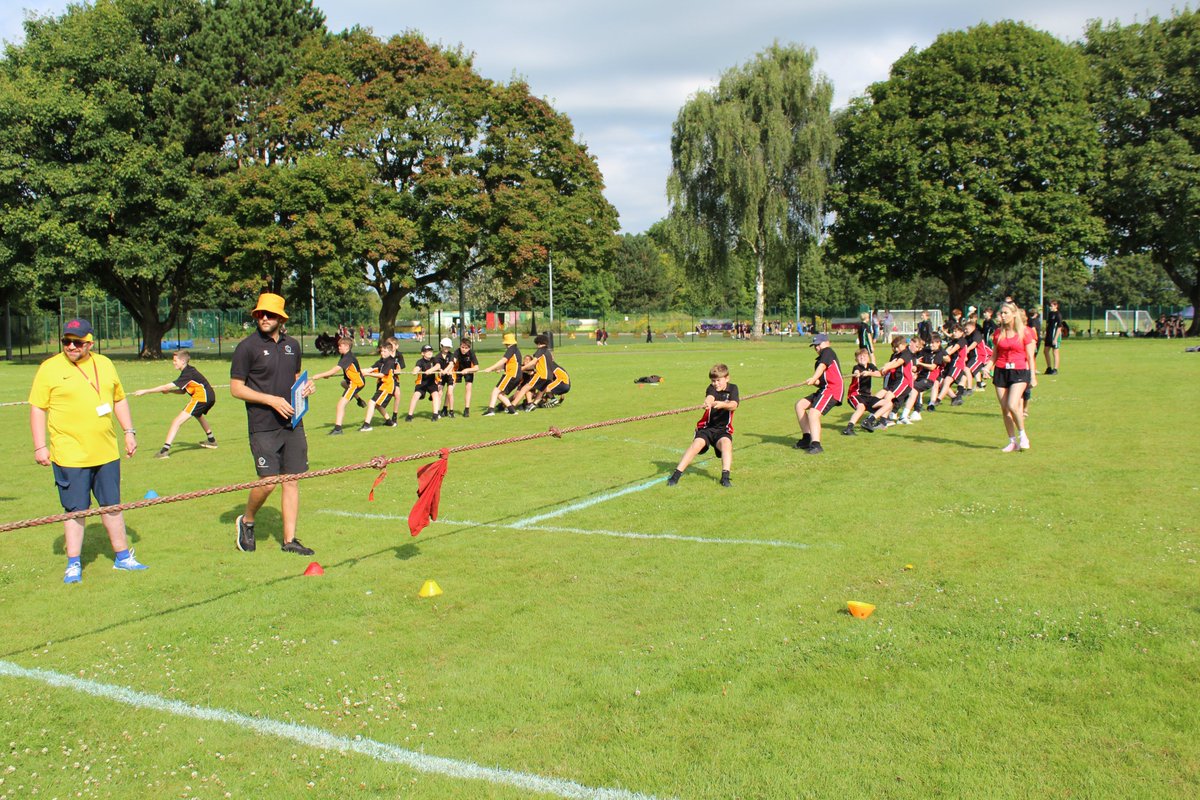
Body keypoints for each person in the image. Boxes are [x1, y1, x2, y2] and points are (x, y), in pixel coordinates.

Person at [29, 318, 148, 584]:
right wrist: (40, 446)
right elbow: (38, 408)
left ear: (90, 343)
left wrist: (129, 431)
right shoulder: (49, 368)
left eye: (77, 342)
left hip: (106, 452)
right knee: (75, 510)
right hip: (69, 455)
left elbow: (118, 398)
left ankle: (122, 557)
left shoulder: (104, 364)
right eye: (67, 341)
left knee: (113, 506)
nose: (71, 346)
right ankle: (73, 564)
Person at [229, 293, 316, 556]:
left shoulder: (293, 346)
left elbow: (295, 377)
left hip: (292, 423)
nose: (264, 318)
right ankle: (247, 521)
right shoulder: (247, 347)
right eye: (260, 314)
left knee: (291, 480)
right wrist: (270, 400)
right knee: (268, 482)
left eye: (269, 314)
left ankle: (289, 540)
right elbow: (235, 388)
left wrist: (306, 387)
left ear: (281, 318)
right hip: (263, 425)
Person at [133, 349, 218, 457]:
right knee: (198, 415)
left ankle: (164, 451)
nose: (173, 363)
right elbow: (183, 391)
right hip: (208, 397)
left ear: (182, 361)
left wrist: (145, 391)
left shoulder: (187, 373)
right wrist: (170, 392)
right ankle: (211, 440)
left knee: (176, 421)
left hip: (202, 398)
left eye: (175, 360)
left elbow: (165, 386)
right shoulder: (188, 371)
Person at [666, 363, 738, 487]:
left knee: (727, 445)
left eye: (718, 380)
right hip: (707, 428)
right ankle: (676, 475)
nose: (716, 383)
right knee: (696, 445)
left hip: (723, 430)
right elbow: (710, 397)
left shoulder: (733, 388)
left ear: (727, 378)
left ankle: (725, 478)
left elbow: (734, 405)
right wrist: (709, 402)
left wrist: (722, 404)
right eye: (713, 380)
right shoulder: (711, 388)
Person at [985, 301, 1037, 452]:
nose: (1002, 315)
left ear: (1014, 314)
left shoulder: (1025, 332)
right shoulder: (997, 333)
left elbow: (1030, 356)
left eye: (1006, 313)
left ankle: (1023, 436)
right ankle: (1012, 441)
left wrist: (1032, 376)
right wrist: (987, 368)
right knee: (1004, 409)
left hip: (1020, 371)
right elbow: (994, 355)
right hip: (1001, 371)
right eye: (1001, 313)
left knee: (1012, 405)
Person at [793, 333, 844, 454]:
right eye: (814, 346)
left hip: (832, 389)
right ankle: (807, 438)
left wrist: (813, 377)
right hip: (824, 389)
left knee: (813, 413)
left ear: (827, 342)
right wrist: (814, 381)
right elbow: (821, 380)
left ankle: (816, 444)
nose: (817, 348)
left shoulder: (828, 351)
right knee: (800, 405)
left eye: (818, 344)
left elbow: (822, 367)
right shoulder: (818, 361)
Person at [312, 336, 364, 435]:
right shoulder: (344, 356)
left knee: (340, 405)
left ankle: (338, 429)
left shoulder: (348, 357)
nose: (338, 347)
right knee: (343, 383)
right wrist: (328, 375)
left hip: (355, 383)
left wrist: (320, 375)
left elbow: (335, 369)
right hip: (350, 382)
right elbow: (337, 370)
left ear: (347, 347)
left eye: (340, 346)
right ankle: (359, 400)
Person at [359, 338, 399, 431]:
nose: (382, 353)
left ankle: (366, 425)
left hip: (387, 387)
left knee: (372, 402)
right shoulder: (380, 361)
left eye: (385, 351)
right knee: (378, 405)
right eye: (381, 351)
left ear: (390, 352)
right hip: (382, 386)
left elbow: (381, 374)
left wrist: (368, 374)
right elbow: (370, 369)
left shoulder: (390, 362)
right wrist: (358, 372)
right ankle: (389, 422)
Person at [843, 348, 882, 435]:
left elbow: (879, 374)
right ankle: (848, 428)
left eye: (864, 356)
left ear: (868, 358)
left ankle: (869, 422)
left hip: (867, 396)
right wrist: (857, 374)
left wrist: (869, 373)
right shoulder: (856, 367)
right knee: (861, 408)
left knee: (887, 403)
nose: (862, 358)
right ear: (856, 359)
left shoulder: (870, 366)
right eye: (859, 357)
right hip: (855, 395)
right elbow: (856, 371)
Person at [480, 332, 522, 415]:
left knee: (495, 391)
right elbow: (511, 363)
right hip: (517, 376)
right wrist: (499, 368)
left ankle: (490, 410)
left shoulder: (511, 349)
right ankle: (512, 410)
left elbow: (503, 360)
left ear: (507, 342)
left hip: (511, 374)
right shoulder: (516, 350)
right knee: (500, 394)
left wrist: (490, 368)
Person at [404, 343, 443, 422]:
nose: (430, 353)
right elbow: (417, 367)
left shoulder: (434, 359)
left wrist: (431, 370)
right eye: (427, 351)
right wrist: (415, 371)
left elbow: (438, 366)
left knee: (436, 395)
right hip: (422, 383)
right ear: (422, 353)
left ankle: (435, 415)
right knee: (416, 396)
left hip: (432, 382)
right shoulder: (420, 361)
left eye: (431, 351)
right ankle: (409, 415)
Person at [443, 337, 480, 417]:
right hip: (457, 370)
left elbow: (477, 368)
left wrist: (467, 370)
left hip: (469, 371)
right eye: (462, 347)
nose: (463, 349)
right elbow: (452, 362)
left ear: (469, 348)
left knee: (468, 388)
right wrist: (447, 370)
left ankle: (466, 409)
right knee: (450, 389)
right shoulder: (457, 352)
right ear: (460, 346)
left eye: (466, 348)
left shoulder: (471, 353)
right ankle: (445, 408)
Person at [1043, 300, 1063, 374]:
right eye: (1050, 306)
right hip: (1049, 335)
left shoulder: (1058, 314)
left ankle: (1055, 369)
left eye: (1051, 306)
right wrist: (1045, 334)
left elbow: (1059, 327)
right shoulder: (1050, 314)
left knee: (1055, 352)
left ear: (1056, 306)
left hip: (1055, 336)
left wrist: (1055, 339)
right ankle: (1049, 368)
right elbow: (1048, 324)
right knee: (1045, 351)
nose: (1050, 307)